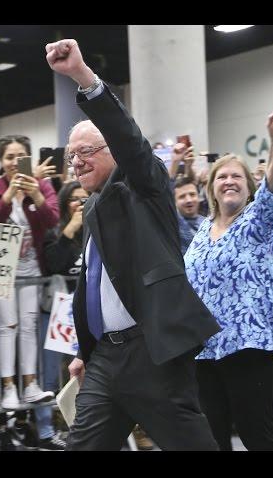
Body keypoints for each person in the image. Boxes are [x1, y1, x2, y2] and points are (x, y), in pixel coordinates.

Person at [46, 38, 220, 451]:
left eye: (87, 151)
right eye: (72, 156)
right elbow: (98, 286)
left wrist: (82, 77)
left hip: (152, 354)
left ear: (113, 150)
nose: (78, 162)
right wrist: (84, 353)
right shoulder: (90, 208)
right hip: (105, 359)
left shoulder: (146, 186)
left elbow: (130, 141)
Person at [184, 93, 273, 451]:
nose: (229, 180)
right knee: (212, 437)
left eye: (236, 176)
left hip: (251, 345)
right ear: (212, 189)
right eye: (221, 176)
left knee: (258, 435)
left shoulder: (257, 222)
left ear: (247, 187)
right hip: (206, 349)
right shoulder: (201, 233)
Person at [0, 134, 59, 409]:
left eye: (20, 157)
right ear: (1, 161)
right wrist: (8, 196)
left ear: (29, 158)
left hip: (31, 268)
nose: (15, 162)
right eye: (9, 157)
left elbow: (52, 219)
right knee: (7, 326)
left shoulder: (41, 185)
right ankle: (8, 387)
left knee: (29, 326)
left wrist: (35, 193)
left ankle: (30, 385)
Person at [174, 176, 206, 255]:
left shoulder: (209, 223)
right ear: (174, 202)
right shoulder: (172, 224)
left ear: (199, 197)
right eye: (182, 196)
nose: (188, 200)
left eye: (192, 194)